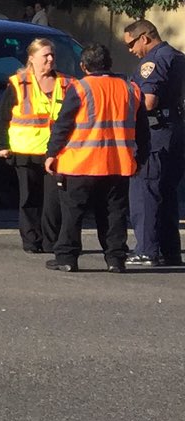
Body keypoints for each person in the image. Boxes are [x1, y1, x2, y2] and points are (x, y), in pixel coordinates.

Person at [44, 43, 147, 273]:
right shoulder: (130, 89)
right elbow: (142, 130)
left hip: (80, 164)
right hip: (118, 164)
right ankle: (115, 259)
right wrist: (140, 159)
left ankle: (67, 258)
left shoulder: (80, 88)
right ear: (109, 64)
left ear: (84, 66)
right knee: (114, 213)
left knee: (72, 213)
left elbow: (63, 125)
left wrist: (51, 154)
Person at [121, 18, 183, 266]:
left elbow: (148, 101)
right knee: (167, 193)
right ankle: (170, 251)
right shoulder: (177, 57)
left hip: (155, 133)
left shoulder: (153, 61)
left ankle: (146, 250)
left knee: (145, 191)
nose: (130, 50)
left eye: (131, 44)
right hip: (176, 131)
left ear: (144, 38)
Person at [0, 37, 65, 254]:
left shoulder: (65, 83)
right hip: (25, 150)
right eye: (45, 55)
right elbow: (3, 116)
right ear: (32, 58)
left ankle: (51, 241)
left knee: (52, 200)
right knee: (29, 198)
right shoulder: (19, 83)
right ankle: (32, 240)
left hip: (56, 152)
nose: (50, 59)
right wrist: (2, 144)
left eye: (52, 55)